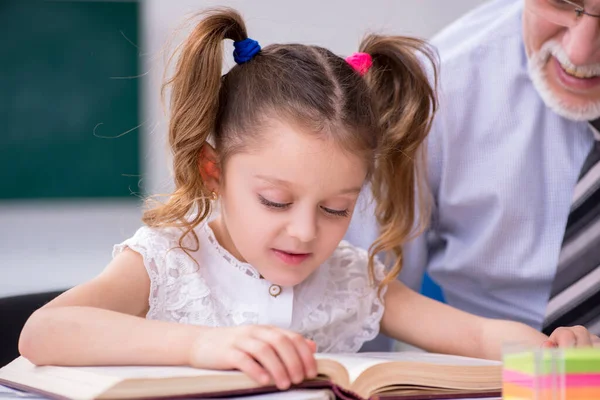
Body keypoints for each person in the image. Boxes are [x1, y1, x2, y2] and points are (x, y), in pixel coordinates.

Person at [19, 7, 598, 392]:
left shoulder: (352, 279)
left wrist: (552, 350)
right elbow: (44, 331)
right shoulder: (171, 259)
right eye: (274, 201)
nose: (304, 233)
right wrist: (202, 345)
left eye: (335, 209)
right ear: (213, 171)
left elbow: (473, 336)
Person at [348, 0, 600, 337]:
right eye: (562, 2)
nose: (580, 53)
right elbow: (366, 301)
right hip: (496, 372)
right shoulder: (435, 89)